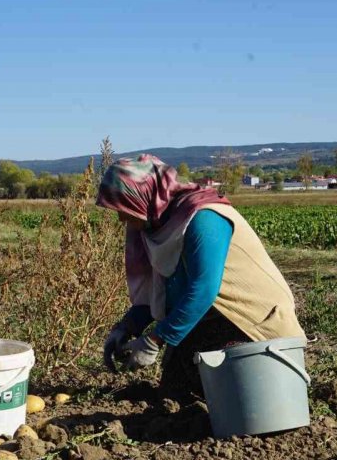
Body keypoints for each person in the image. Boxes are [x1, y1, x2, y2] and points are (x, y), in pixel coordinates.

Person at [97, 154, 305, 396]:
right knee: (176, 391)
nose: (122, 218)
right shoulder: (158, 227)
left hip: (254, 322)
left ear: (143, 197)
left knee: (235, 390)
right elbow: (160, 292)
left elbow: (204, 288)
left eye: (124, 208)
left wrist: (154, 340)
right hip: (213, 318)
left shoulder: (203, 218)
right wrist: (126, 328)